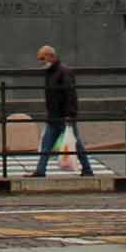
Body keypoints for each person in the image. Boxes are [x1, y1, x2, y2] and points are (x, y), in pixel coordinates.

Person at [32, 44, 93, 176]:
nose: (41, 62)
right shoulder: (50, 72)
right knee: (46, 145)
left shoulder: (64, 72)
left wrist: (70, 115)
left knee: (75, 143)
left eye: (42, 58)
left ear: (51, 56)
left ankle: (87, 169)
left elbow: (70, 95)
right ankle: (40, 170)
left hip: (64, 117)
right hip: (54, 116)